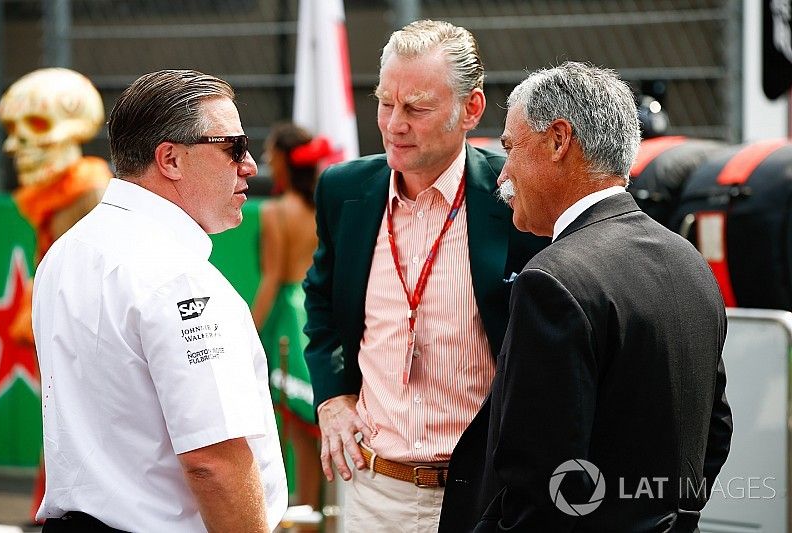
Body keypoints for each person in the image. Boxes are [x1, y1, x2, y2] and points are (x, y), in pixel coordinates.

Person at [440, 62, 732, 532]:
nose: (503, 173)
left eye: (511, 148)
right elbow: (713, 435)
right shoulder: (689, 262)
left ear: (559, 140)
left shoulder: (553, 280)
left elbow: (536, 485)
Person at [302, 19, 548, 531]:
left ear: (471, 109)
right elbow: (322, 303)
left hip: (484, 494)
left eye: (416, 107)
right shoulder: (343, 190)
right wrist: (331, 397)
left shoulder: (519, 198)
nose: (393, 124)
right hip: (373, 490)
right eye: (385, 102)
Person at [32, 69, 287, 532]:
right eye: (233, 147)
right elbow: (214, 460)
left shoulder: (68, 251)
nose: (249, 165)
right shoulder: (180, 277)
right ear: (170, 158)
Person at [0, 67, 112, 524]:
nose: (13, 145)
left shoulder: (89, 192)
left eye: (36, 127)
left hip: (83, 326)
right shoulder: (55, 195)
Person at [252, 122, 328, 514]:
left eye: (269, 154)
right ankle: (314, 511)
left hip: (287, 317)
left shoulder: (274, 212)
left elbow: (271, 278)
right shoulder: (323, 207)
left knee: (292, 422)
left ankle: (295, 512)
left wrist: (248, 329)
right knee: (312, 426)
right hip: (317, 311)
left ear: (282, 160)